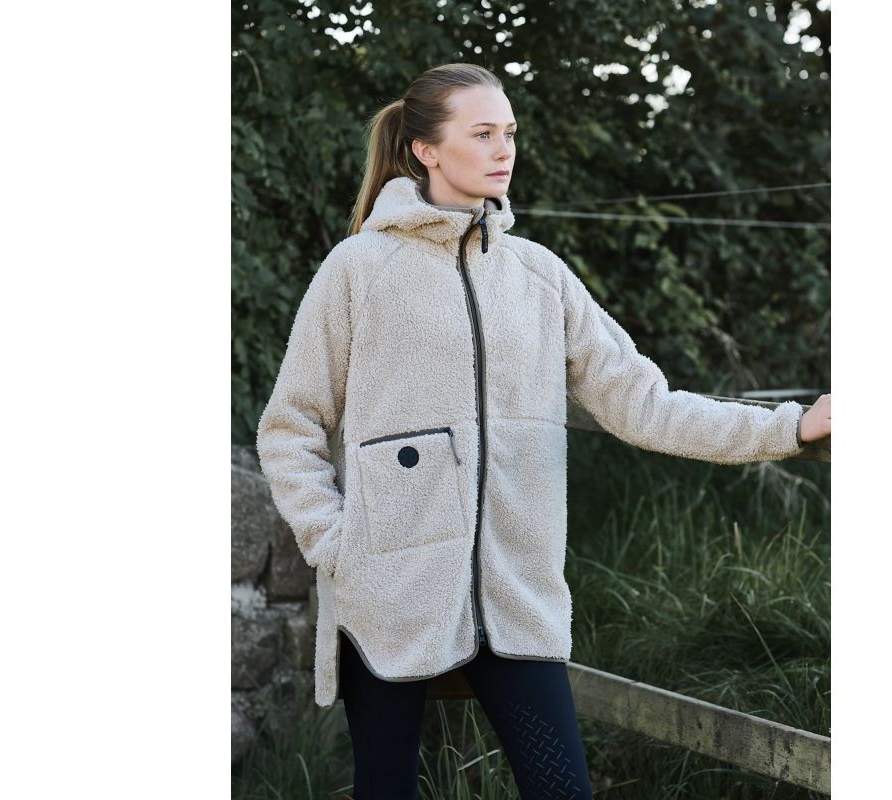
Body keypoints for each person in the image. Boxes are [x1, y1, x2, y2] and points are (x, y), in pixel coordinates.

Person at [256, 62, 831, 800]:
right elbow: (291, 425)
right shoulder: (358, 270)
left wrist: (792, 427)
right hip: (388, 593)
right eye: (482, 133)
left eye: (510, 133)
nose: (504, 150)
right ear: (426, 150)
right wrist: (341, 547)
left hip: (519, 596)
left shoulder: (540, 276)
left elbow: (643, 404)